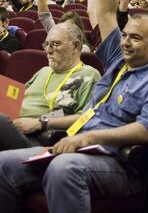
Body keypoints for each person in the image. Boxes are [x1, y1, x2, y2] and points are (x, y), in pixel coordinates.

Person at [0, 0, 148, 213]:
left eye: (135, 38)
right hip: (78, 147)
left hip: (120, 165)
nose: (126, 41)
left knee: (63, 168)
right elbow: (108, 12)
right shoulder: (117, 64)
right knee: (3, 165)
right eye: (125, 35)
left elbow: (147, 130)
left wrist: (88, 137)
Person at [0, 21, 100, 151]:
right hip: (11, 123)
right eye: (46, 44)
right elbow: (16, 98)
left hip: (36, 137)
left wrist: (39, 123)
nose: (48, 50)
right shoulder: (44, 71)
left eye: (55, 44)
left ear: (75, 46)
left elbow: (85, 116)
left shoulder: (88, 75)